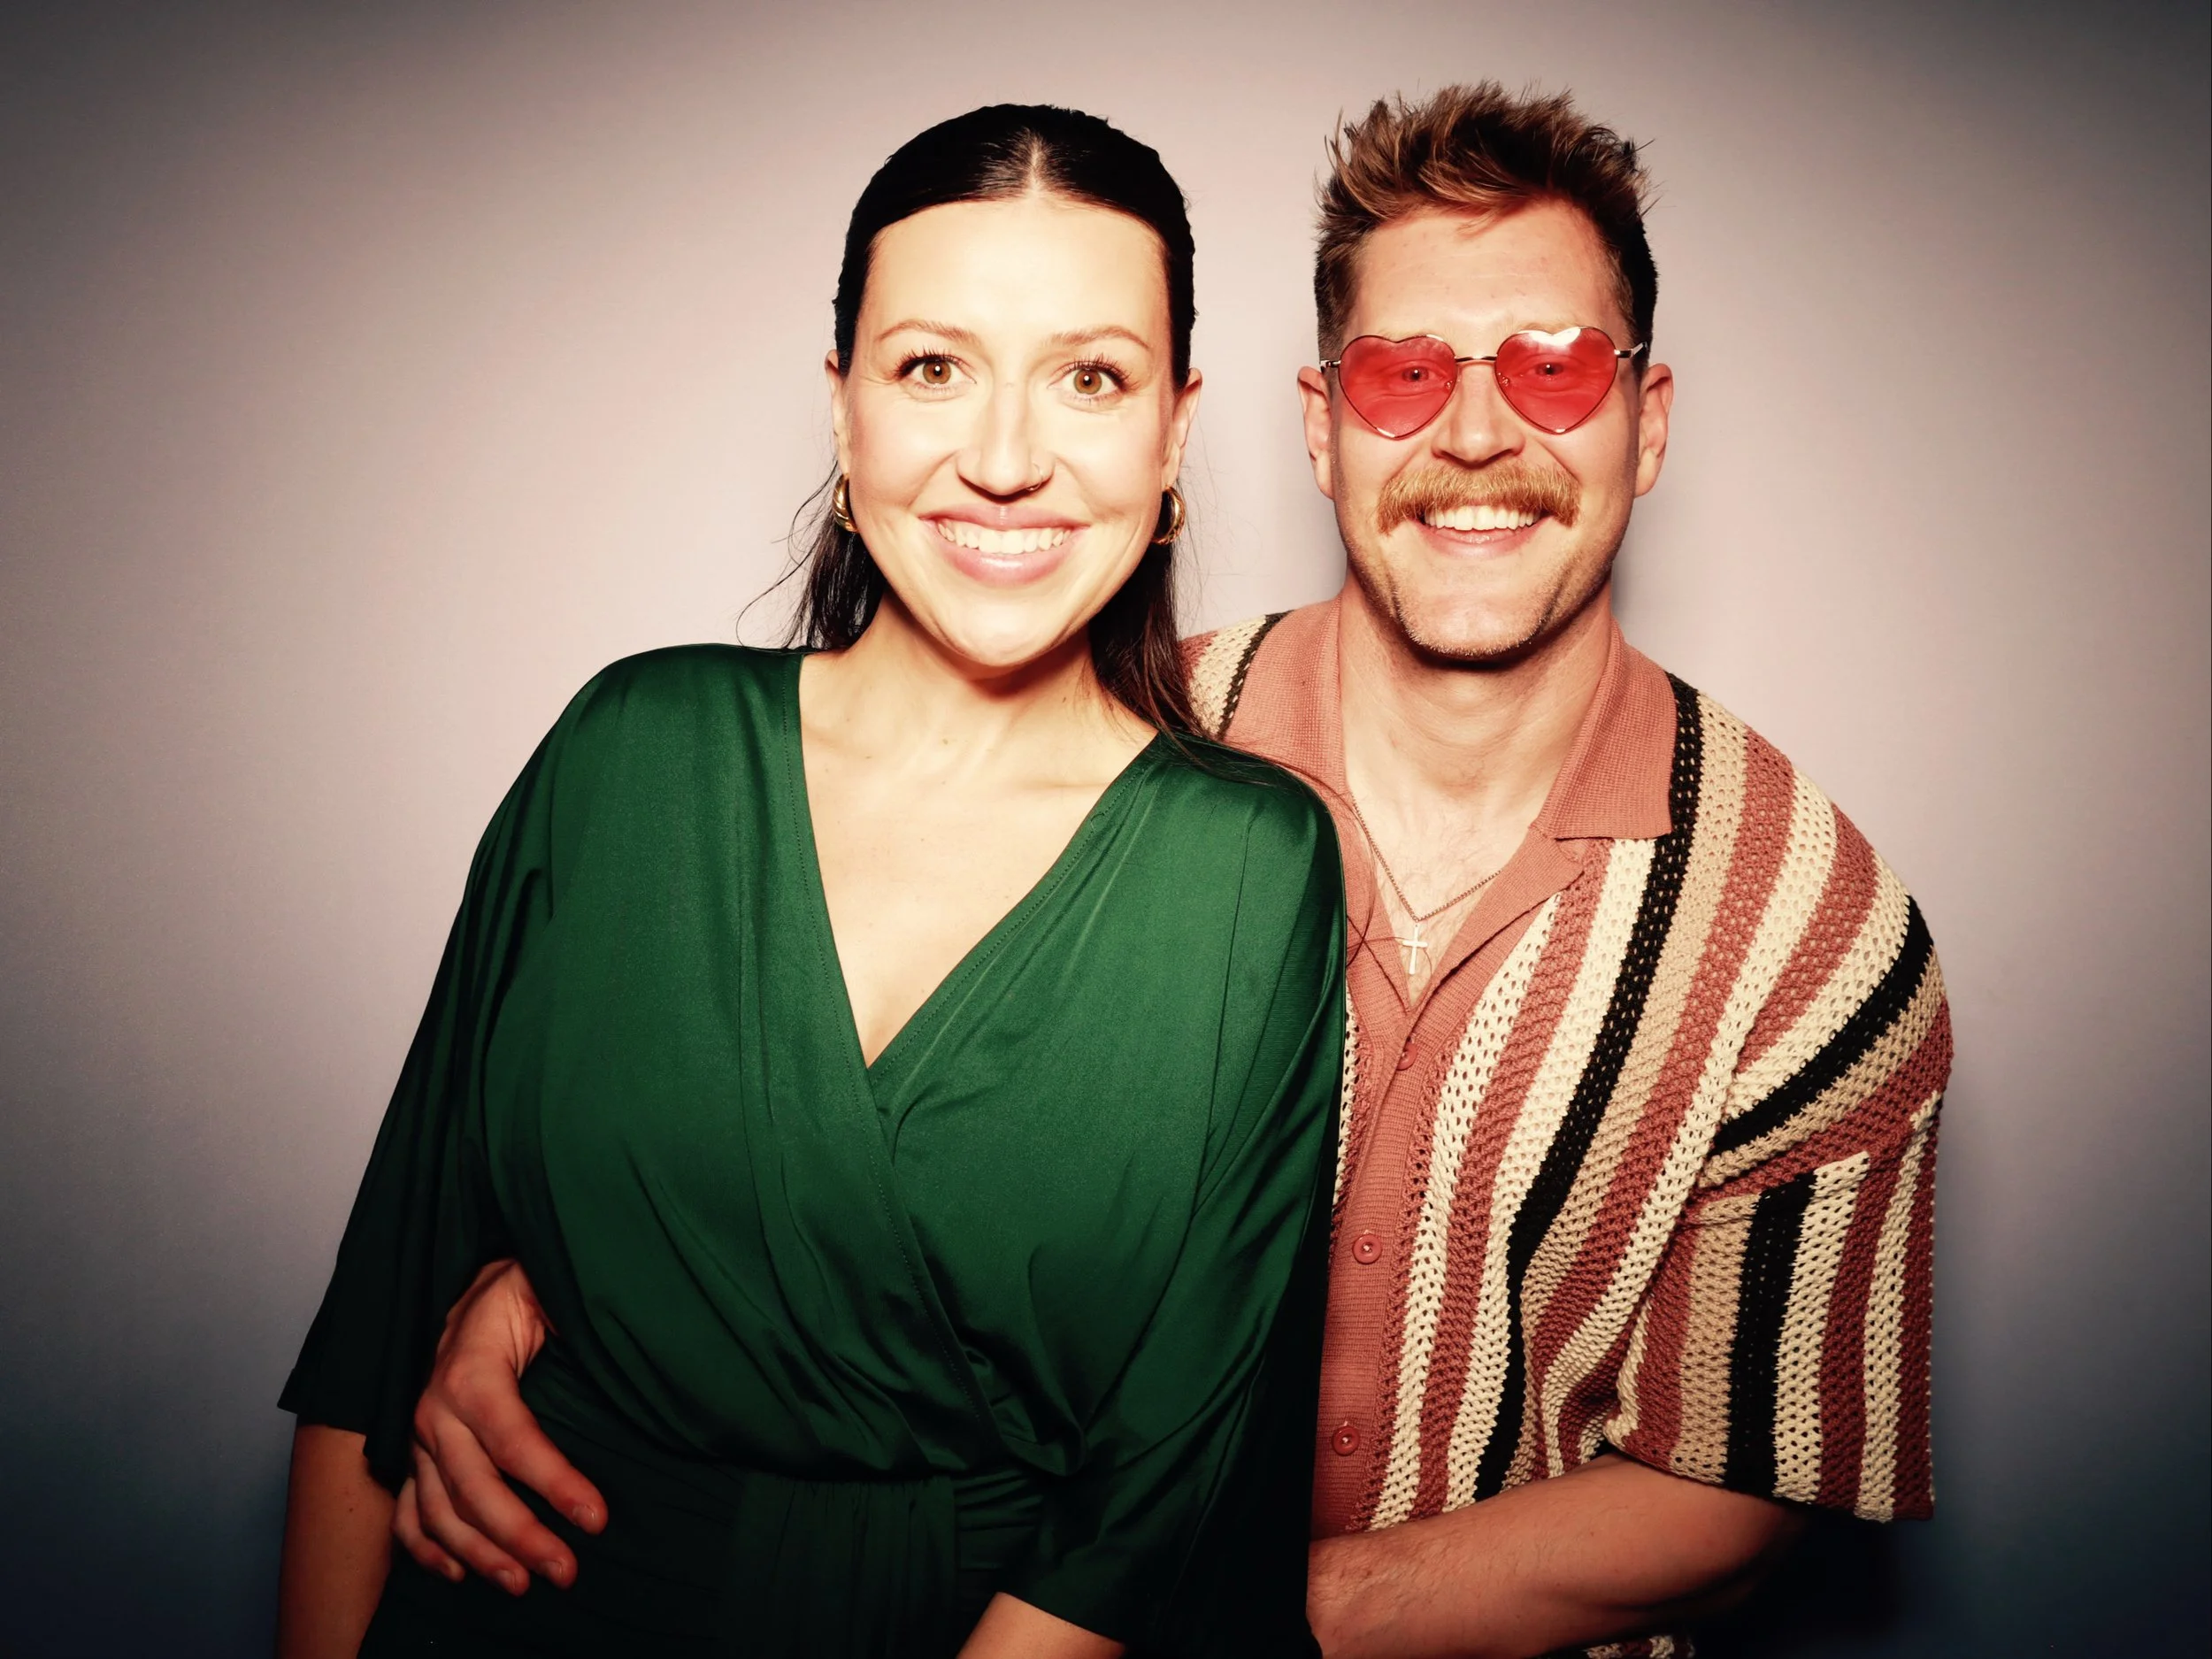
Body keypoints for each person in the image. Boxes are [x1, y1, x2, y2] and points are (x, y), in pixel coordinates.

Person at [393, 85, 1953, 1659]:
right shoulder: (1115, 737)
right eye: (1405, 375)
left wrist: (1213, 1606)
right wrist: (544, 1289)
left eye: (1554, 370)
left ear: (1651, 418)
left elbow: (1753, 1482)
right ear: (1316, 425)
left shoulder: (1814, 929)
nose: (1477, 431)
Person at [275, 104, 1346, 1659]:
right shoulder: (630, 753)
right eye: (932, 367)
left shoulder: (1251, 870)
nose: (1002, 457)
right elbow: (382, 1332)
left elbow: (1160, 1506)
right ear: (842, 409)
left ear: (1177, 430)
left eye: (1092, 376)